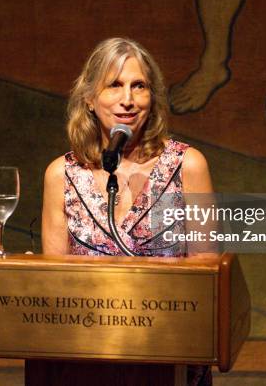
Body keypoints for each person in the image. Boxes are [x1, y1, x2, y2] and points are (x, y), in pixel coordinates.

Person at [41, 37, 215, 385]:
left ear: (152, 98)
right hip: (85, 360)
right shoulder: (61, 174)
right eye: (115, 85)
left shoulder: (187, 165)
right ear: (90, 98)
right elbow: (54, 284)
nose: (128, 100)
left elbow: (207, 275)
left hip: (168, 356)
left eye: (140, 86)